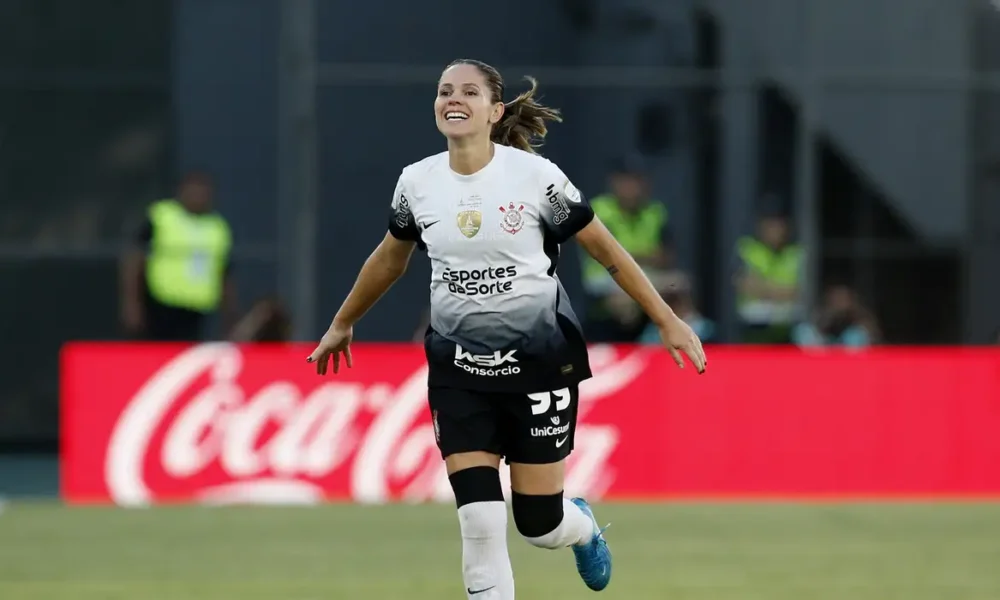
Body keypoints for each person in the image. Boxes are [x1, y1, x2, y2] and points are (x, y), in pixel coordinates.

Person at [306, 59, 706, 598]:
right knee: (479, 524)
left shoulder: (534, 177)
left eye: (469, 92)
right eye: (445, 90)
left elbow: (606, 251)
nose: (454, 98)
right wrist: (342, 322)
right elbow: (390, 259)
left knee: (538, 525)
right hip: (459, 370)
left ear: (494, 111)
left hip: (540, 363)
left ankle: (582, 526)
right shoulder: (417, 182)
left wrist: (667, 320)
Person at [120, 170, 237, 341]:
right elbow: (134, 258)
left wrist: (230, 315)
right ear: (181, 191)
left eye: (203, 192)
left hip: (199, 310)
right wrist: (132, 303)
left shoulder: (217, 227)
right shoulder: (162, 216)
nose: (198, 196)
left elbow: (224, 273)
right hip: (160, 305)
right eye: (194, 190)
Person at [733, 210, 804, 344]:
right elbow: (744, 284)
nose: (775, 231)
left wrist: (763, 287)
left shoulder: (796, 253)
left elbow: (801, 291)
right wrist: (782, 291)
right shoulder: (747, 248)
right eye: (770, 225)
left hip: (788, 330)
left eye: (779, 226)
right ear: (761, 226)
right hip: (752, 329)